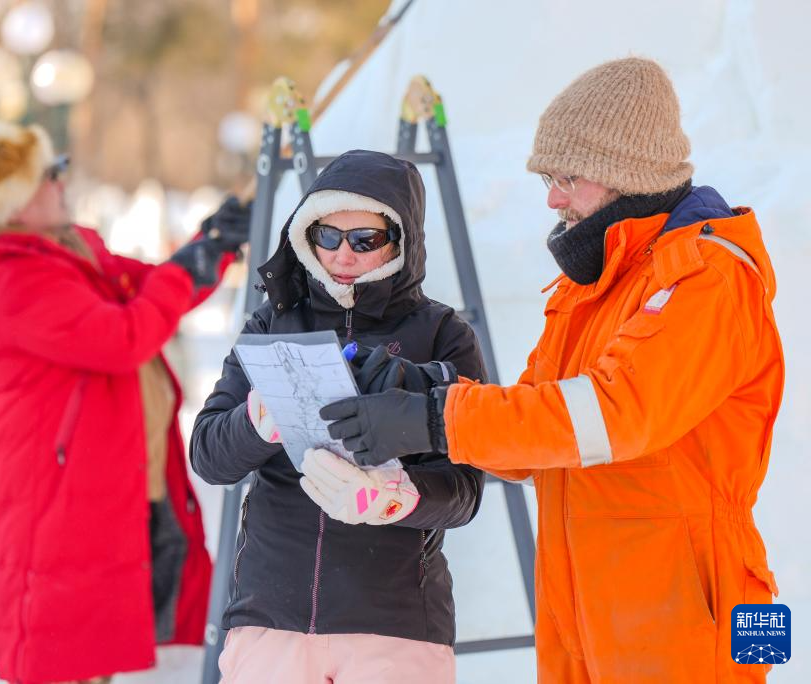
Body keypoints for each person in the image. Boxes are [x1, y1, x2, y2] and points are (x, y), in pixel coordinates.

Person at [321, 58, 784, 682]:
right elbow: (534, 440)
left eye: (568, 177)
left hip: (691, 617)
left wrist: (433, 419)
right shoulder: (597, 283)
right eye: (548, 178)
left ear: (626, 172)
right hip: (589, 617)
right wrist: (428, 388)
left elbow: (615, 414)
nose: (552, 198)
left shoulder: (707, 277)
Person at [0, 121, 250, 684]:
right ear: (16, 202)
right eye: (49, 174)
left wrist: (210, 246)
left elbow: (154, 286)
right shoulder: (15, 282)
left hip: (101, 483)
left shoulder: (71, 250)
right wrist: (187, 268)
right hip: (53, 495)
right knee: (64, 654)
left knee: (94, 645)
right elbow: (124, 336)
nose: (63, 181)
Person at [190, 149, 486, 683]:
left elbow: (465, 488)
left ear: (400, 240)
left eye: (365, 239)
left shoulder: (443, 335)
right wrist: (258, 420)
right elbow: (208, 455)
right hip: (271, 618)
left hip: (395, 626)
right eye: (327, 235)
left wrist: (395, 497)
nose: (343, 253)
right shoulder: (272, 323)